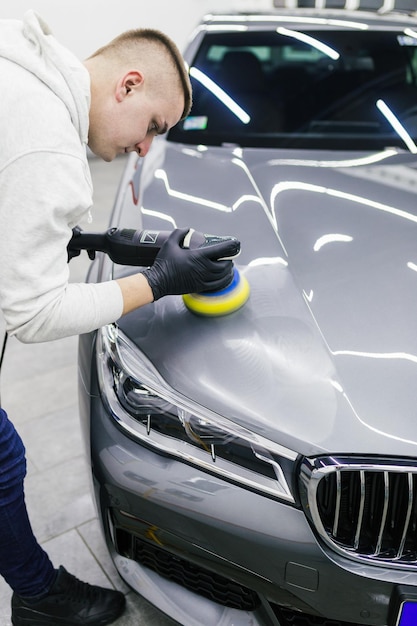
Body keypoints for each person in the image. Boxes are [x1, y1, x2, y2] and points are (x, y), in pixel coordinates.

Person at [0, 10, 235, 626]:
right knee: (3, 461)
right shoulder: (49, 142)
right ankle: (40, 599)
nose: (144, 146)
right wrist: (158, 282)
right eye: (153, 125)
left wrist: (100, 243)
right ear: (127, 85)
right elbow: (33, 312)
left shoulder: (21, 75)